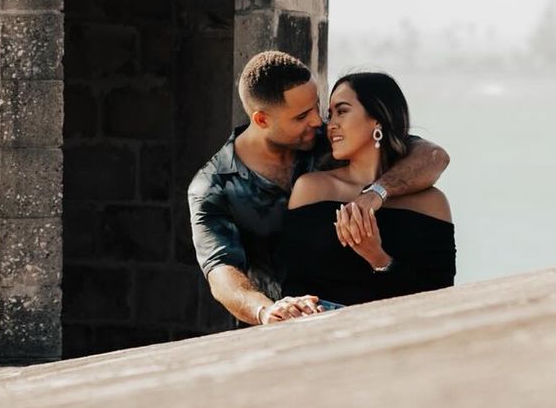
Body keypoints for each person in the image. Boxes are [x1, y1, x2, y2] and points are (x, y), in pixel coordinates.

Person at [188, 51, 450, 326]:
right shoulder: (211, 187)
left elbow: (432, 156)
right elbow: (222, 274)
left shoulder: (328, 138)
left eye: (317, 107)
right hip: (280, 328)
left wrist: (377, 192)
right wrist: (266, 311)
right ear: (262, 120)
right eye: (302, 115)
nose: (317, 121)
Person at [280, 71, 455, 306]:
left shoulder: (431, 203)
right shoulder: (312, 188)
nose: (330, 125)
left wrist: (377, 257)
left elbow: (439, 296)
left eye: (342, 111)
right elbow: (294, 283)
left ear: (377, 119)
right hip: (320, 333)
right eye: (330, 115)